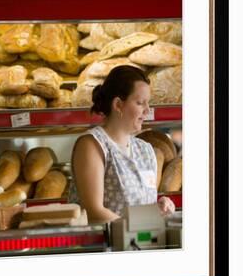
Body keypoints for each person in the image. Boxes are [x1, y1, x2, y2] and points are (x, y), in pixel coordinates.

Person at [68, 65, 176, 223]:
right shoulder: (92, 145)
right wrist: (137, 230)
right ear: (118, 104)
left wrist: (158, 208)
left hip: (142, 244)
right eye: (140, 103)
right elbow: (93, 212)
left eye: (148, 103)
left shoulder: (145, 150)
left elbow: (140, 207)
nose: (147, 110)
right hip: (106, 245)